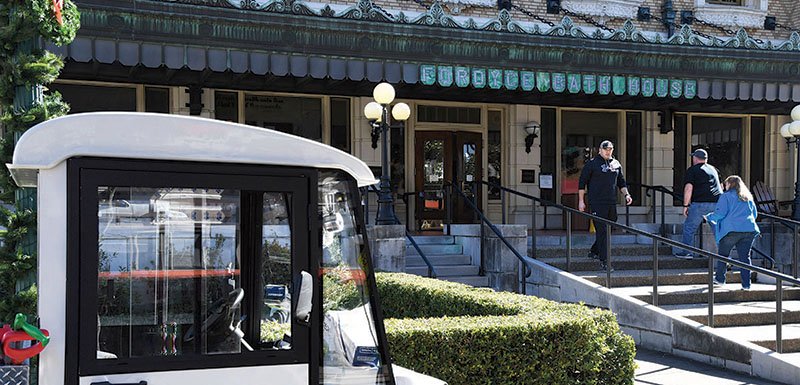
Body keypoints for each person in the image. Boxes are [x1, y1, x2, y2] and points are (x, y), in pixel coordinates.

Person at [578, 140, 633, 270]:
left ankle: (594, 250)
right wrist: (581, 201)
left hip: (611, 202)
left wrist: (627, 195)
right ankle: (605, 261)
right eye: (605, 149)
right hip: (597, 202)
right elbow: (582, 183)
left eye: (610, 149)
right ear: (600, 150)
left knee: (609, 228)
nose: (608, 151)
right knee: (602, 230)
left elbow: (622, 183)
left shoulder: (616, 164)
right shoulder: (592, 164)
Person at [703, 175, 760, 290]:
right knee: (745, 258)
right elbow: (754, 215)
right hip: (749, 229)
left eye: (725, 184)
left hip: (731, 230)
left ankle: (720, 279)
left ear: (729, 184)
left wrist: (709, 217)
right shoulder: (747, 197)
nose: (724, 186)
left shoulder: (726, 196)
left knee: (723, 256)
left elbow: (720, 214)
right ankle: (746, 285)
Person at [674, 148, 723, 259]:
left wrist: (686, 205)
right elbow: (721, 187)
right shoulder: (714, 169)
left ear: (695, 158)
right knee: (718, 231)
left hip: (700, 203)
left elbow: (688, 188)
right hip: (717, 203)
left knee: (689, 228)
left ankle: (687, 252)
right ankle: (725, 257)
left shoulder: (692, 170)